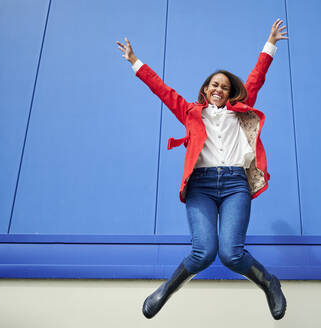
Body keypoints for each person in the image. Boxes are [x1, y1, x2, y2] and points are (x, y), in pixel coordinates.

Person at [116, 18, 288, 320]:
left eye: (224, 85)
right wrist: (134, 61)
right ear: (205, 90)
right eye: (214, 85)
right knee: (203, 252)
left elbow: (257, 77)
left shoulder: (240, 110)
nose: (219, 89)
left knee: (232, 254)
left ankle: (269, 282)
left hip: (235, 184)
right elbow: (161, 89)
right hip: (201, 187)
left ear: (231, 90)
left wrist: (270, 43)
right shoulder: (190, 113)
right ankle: (165, 290)